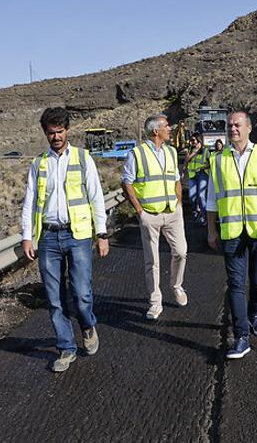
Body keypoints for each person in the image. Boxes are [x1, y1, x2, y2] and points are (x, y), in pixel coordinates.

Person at [21, 108, 110, 373]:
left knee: (81, 294)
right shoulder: (38, 164)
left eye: (60, 131)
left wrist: (101, 234)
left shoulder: (83, 159)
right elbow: (29, 202)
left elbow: (96, 197)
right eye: (51, 132)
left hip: (78, 234)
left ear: (67, 130)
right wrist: (27, 236)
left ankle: (87, 325)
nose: (56, 136)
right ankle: (66, 348)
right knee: (55, 298)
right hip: (48, 237)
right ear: (45, 133)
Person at [206, 111, 257, 360]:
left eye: (238, 125)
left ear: (249, 128)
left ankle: (256, 315)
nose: (233, 129)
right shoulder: (218, 160)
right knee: (236, 285)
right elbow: (211, 201)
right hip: (231, 233)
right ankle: (241, 337)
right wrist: (210, 230)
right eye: (229, 125)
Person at [122, 114, 188, 320]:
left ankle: (176, 286)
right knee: (153, 261)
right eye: (167, 126)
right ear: (155, 131)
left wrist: (178, 202)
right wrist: (140, 212)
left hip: (172, 213)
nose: (170, 129)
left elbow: (176, 179)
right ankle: (155, 302)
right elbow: (127, 183)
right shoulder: (137, 154)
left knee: (181, 252)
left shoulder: (170, 152)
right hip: (150, 214)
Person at [184, 134, 209, 226]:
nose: (192, 142)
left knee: (201, 196)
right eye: (191, 140)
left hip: (202, 174)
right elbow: (186, 161)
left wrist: (204, 167)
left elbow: (210, 163)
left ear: (199, 141)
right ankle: (196, 211)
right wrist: (194, 152)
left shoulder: (205, 151)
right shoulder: (190, 150)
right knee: (192, 197)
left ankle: (204, 217)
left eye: (194, 140)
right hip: (192, 175)